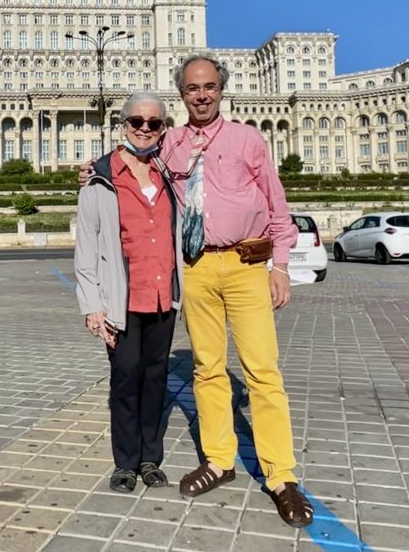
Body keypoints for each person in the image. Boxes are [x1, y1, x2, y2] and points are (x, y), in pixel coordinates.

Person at [78, 55, 313, 527]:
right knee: (207, 369)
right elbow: (130, 162)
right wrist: (93, 171)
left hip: (246, 265)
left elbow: (277, 205)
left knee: (262, 370)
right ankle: (220, 459)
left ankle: (281, 476)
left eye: (208, 87)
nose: (201, 95)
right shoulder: (172, 145)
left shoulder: (247, 139)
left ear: (222, 90)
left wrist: (280, 266)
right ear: (181, 95)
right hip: (197, 269)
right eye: (191, 89)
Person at [74, 92, 184, 493]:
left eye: (153, 123)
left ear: (163, 129)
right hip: (121, 300)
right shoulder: (100, 180)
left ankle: (150, 457)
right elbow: (86, 248)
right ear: (124, 126)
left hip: (162, 297)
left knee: (156, 378)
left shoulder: (169, 176)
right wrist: (92, 307)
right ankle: (125, 462)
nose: (144, 128)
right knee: (125, 378)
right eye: (136, 121)